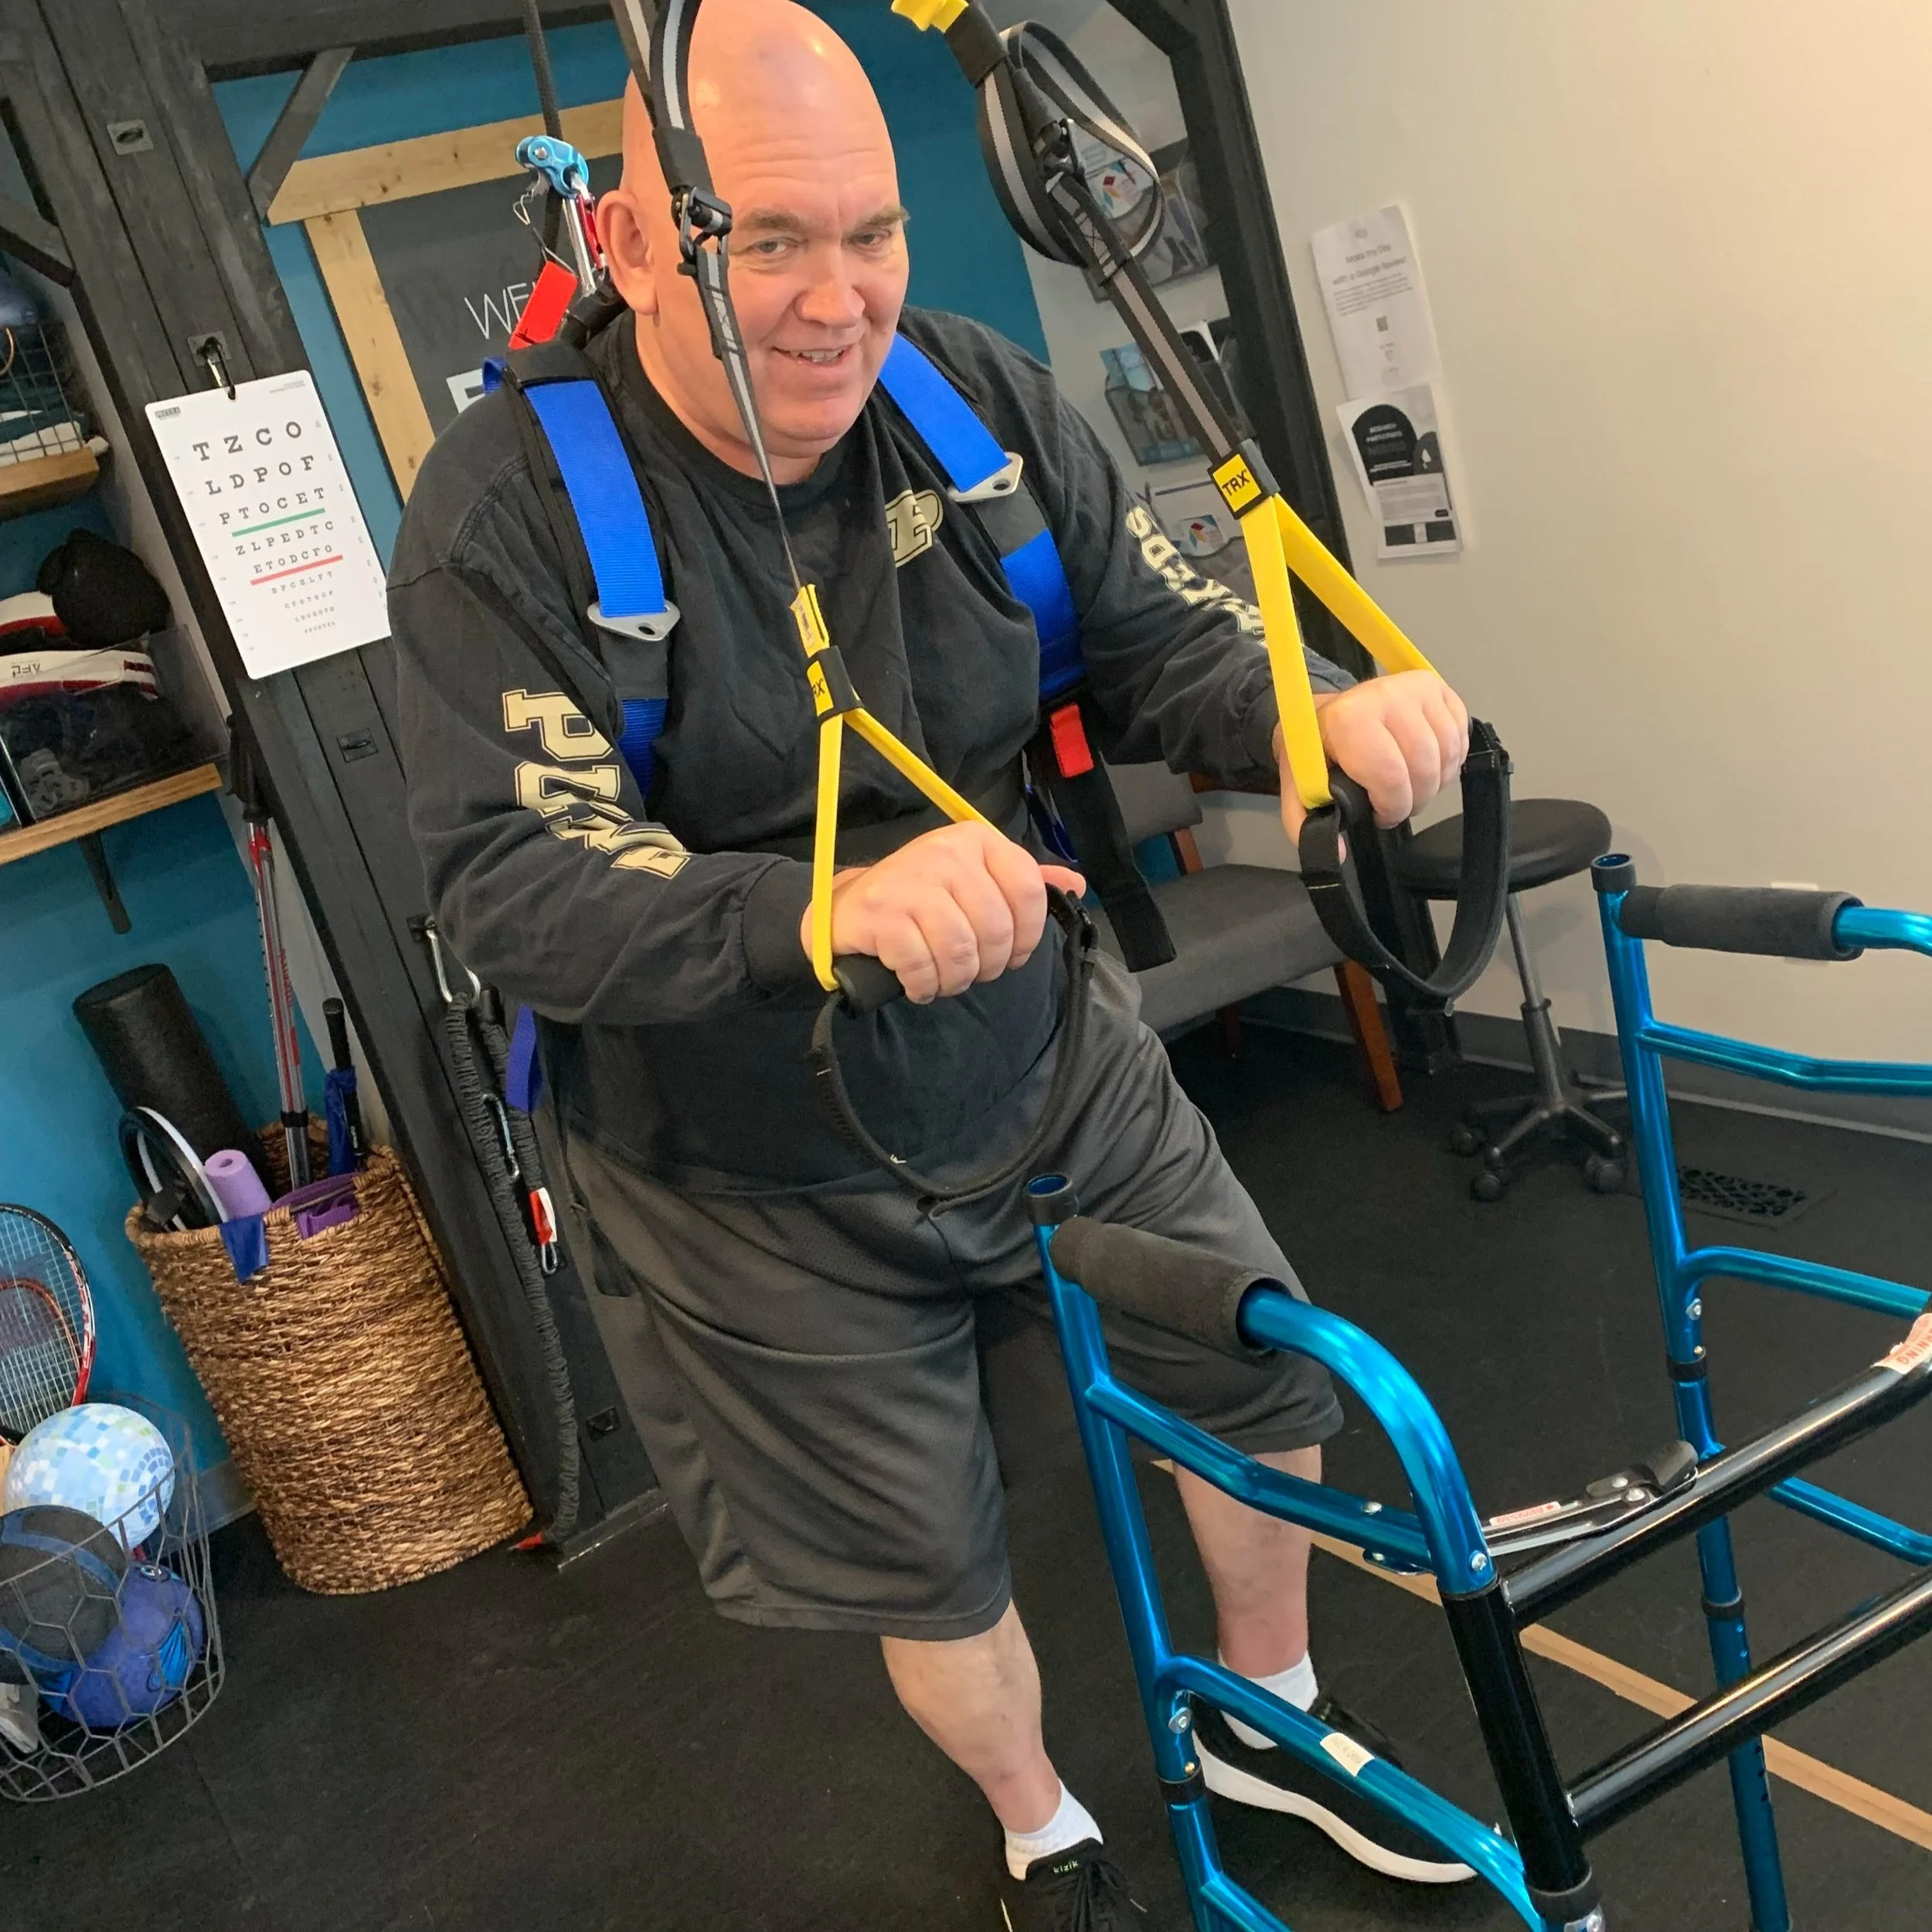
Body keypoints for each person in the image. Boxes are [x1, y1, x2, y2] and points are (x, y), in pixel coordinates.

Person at [388, 4, 1474, 1924]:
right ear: (635, 245)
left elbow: (1154, 644)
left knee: (1254, 1372)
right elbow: (511, 882)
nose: (834, 298)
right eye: (764, 239)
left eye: (869, 232)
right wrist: (810, 911)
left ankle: (1268, 1715)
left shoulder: (967, 402)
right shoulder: (511, 511)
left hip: (1045, 1046)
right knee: (926, 1552)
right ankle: (1037, 1823)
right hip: (738, 1153)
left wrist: (1318, 710)